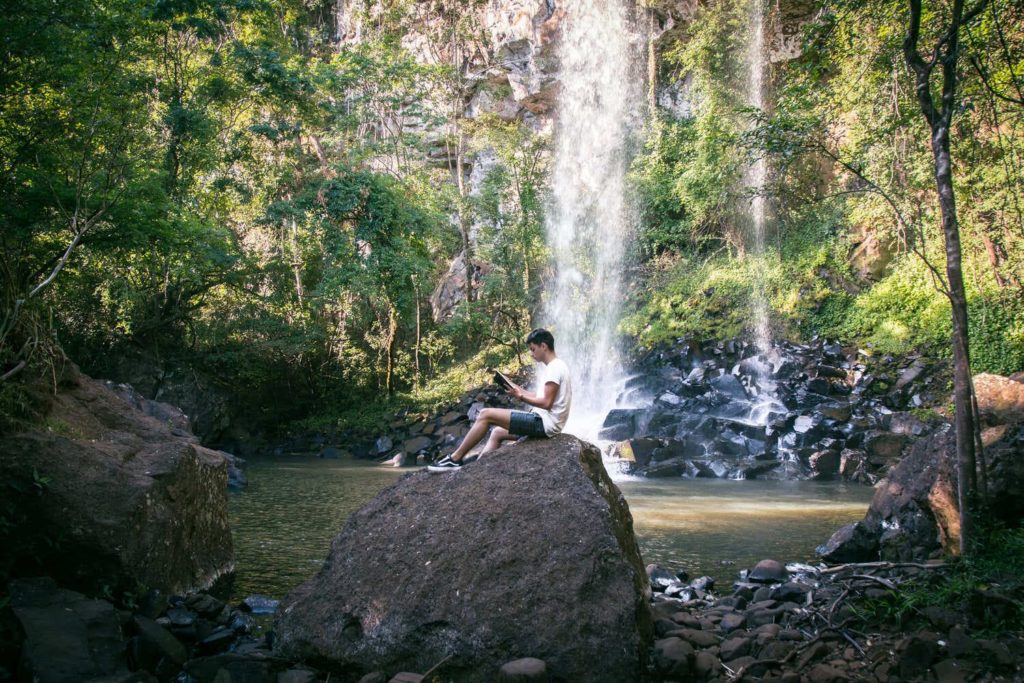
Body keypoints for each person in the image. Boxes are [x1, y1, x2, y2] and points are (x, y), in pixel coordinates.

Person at [427, 328, 572, 472]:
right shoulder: (557, 366)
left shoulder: (554, 368)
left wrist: (521, 397)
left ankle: (455, 459)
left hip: (543, 424)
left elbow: (546, 403)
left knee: (485, 414)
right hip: (545, 423)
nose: (531, 354)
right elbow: (538, 396)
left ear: (543, 346)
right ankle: (476, 470)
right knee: (497, 432)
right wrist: (514, 387)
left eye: (533, 349)